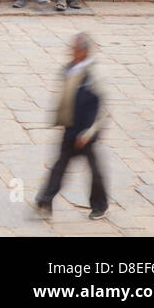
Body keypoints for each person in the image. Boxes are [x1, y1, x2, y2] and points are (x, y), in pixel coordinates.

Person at [34, 33, 109, 221]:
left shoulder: (95, 75)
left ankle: (100, 205)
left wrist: (89, 132)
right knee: (60, 166)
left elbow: (103, 108)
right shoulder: (69, 69)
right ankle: (44, 200)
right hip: (71, 128)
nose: (71, 53)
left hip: (87, 132)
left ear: (83, 52)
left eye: (75, 50)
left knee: (94, 171)